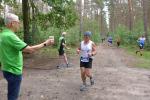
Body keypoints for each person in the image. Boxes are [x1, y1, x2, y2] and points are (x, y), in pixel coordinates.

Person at [0, 13, 54, 100]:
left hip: (6, 69)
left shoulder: (2, 34)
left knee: (11, 93)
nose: (19, 24)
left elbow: (14, 50)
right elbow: (30, 50)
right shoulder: (10, 36)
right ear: (12, 23)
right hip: (14, 71)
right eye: (17, 22)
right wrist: (45, 43)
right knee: (13, 97)